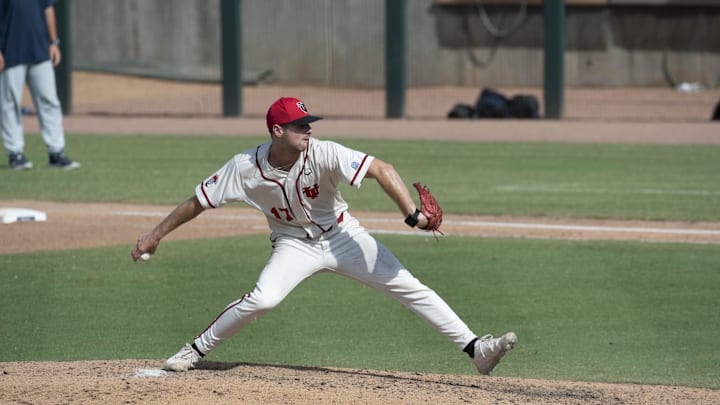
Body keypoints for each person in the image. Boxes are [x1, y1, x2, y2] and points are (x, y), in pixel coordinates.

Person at [131, 97, 517, 375]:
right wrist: (155, 235)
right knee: (264, 299)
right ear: (277, 130)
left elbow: (382, 169)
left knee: (408, 286)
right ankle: (195, 350)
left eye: (309, 122)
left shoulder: (324, 152)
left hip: (344, 235)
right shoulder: (244, 167)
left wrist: (412, 216)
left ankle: (477, 350)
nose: (309, 129)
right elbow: (198, 201)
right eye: (300, 125)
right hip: (293, 245)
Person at [0, 0, 80, 170]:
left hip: (40, 49)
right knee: (9, 104)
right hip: (10, 51)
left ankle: (56, 153)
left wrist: (54, 42)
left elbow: (48, 9)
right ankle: (16, 154)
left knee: (49, 101)